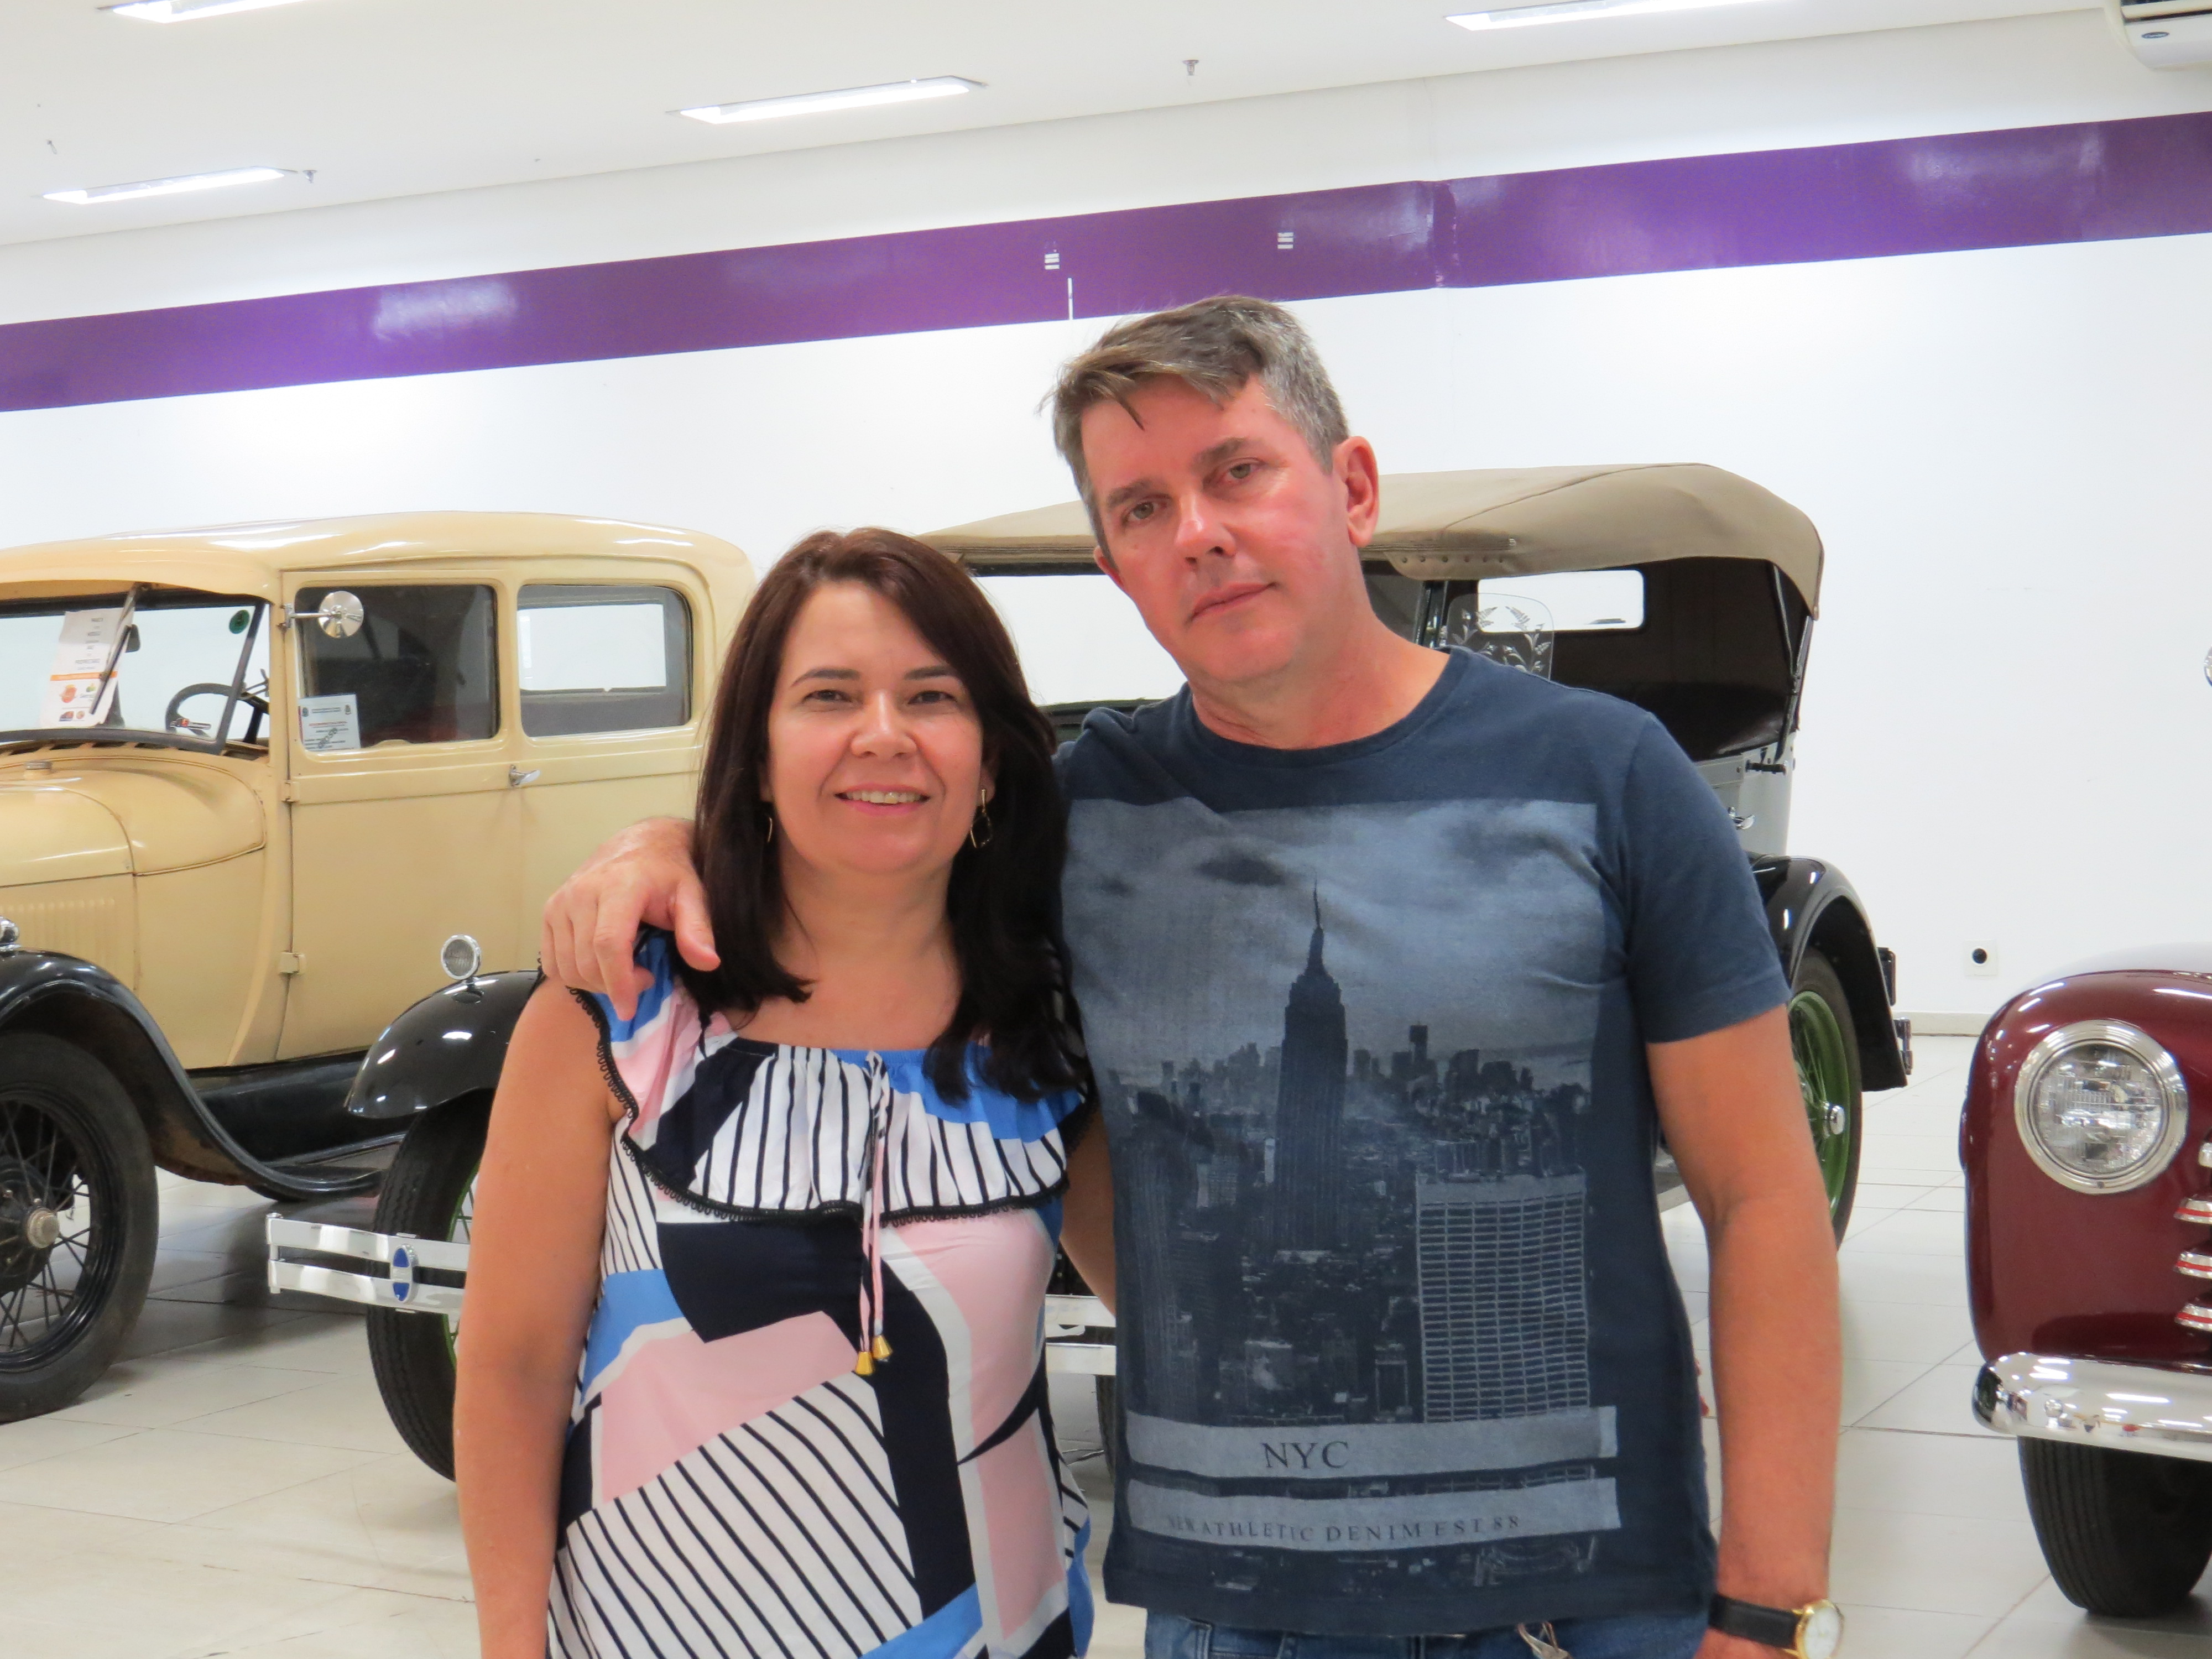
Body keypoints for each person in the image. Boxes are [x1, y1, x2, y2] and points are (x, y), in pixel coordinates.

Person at [541, 298, 1844, 1659]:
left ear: (1350, 487)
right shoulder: (1077, 816)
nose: (1198, 534)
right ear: (1116, 565)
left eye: (1237, 472)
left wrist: (1766, 1605)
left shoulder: (1605, 775)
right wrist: (663, 846)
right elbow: (860, 860)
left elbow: (1760, 1197)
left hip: (1586, 1602)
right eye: (1142, 507)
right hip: (1236, 1612)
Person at [456, 529, 1099, 1659]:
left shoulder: (1052, 1026)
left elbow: (1175, 1307)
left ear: (991, 762)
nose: (884, 734)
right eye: (829, 696)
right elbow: (512, 1368)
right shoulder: (621, 1012)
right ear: (756, 755)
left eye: (932, 696)